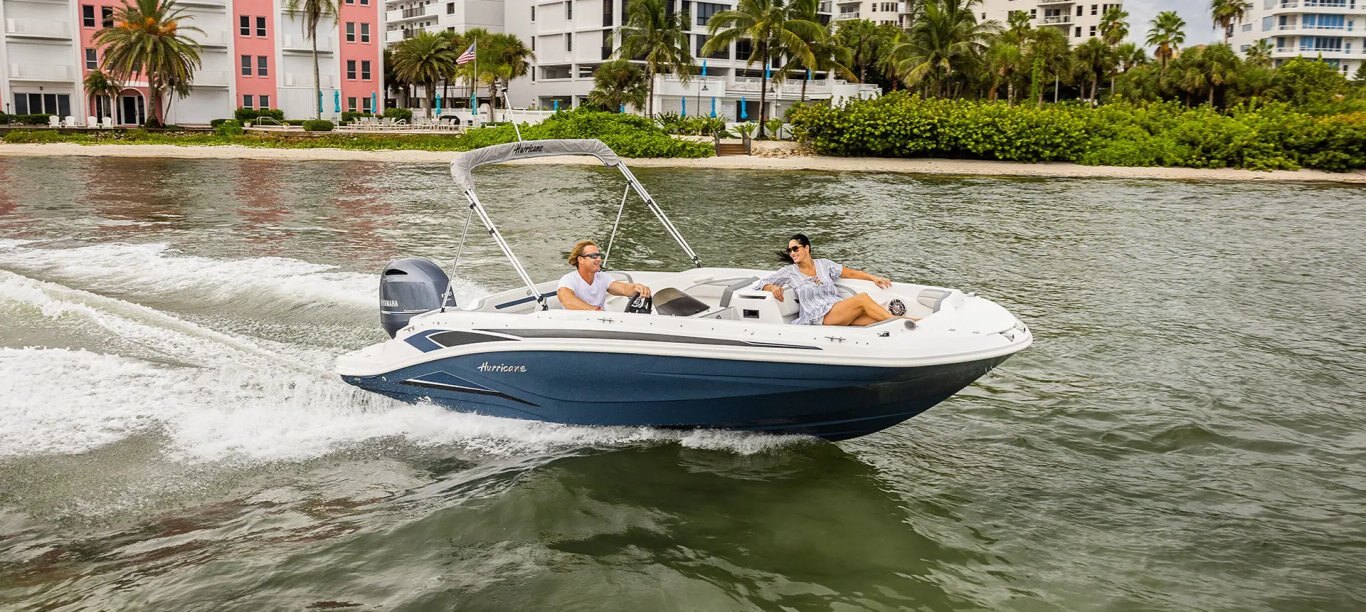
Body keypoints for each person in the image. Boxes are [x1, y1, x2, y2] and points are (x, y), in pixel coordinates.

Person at [752, 233, 913, 326]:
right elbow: (761, 283)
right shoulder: (789, 272)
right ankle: (900, 323)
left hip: (835, 308)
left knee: (873, 319)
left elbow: (850, 273)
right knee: (862, 299)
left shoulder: (824, 264)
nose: (792, 253)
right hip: (817, 315)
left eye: (795, 249)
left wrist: (873, 277)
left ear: (807, 248)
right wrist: (773, 288)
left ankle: (913, 322)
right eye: (790, 251)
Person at [557, 240, 652, 311]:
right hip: (577, 324)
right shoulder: (568, 279)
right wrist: (595, 310)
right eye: (593, 256)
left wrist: (637, 288)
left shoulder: (602, 277)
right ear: (581, 260)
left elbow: (623, 288)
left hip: (599, 321)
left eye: (599, 255)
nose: (599, 259)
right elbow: (567, 301)